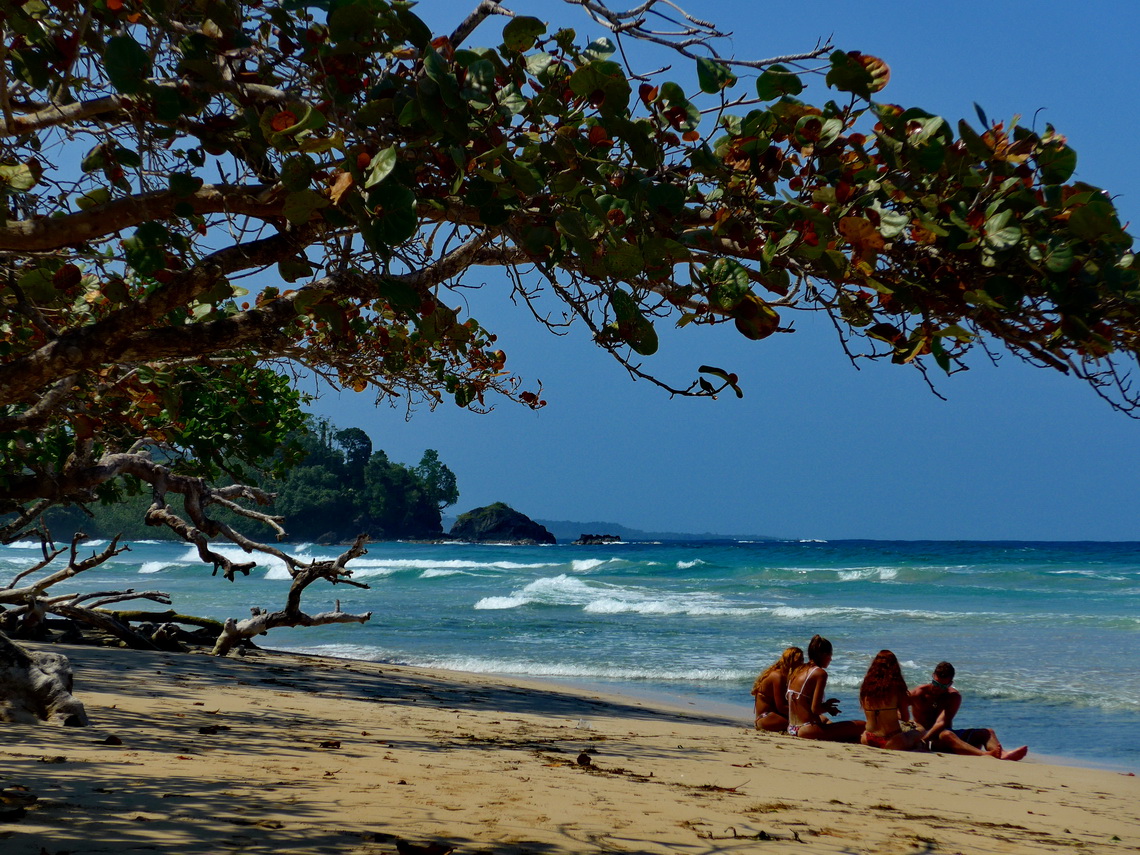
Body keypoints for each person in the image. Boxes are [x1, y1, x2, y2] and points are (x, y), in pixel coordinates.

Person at [909, 661, 1028, 761]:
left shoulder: (953, 697)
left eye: (943, 686)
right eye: (936, 683)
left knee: (987, 732)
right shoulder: (918, 693)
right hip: (927, 738)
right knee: (947, 735)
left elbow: (941, 723)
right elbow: (897, 708)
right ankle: (985, 755)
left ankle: (1002, 753)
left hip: (943, 735)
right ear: (932, 676)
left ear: (950, 683)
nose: (938, 689)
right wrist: (918, 736)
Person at [784, 634, 865, 743]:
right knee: (862, 725)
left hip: (792, 727)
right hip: (807, 729)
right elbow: (815, 709)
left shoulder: (798, 671)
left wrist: (826, 705)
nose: (831, 659)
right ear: (823, 655)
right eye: (830, 655)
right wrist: (828, 708)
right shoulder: (819, 673)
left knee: (838, 728)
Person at [858, 650, 924, 751]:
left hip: (868, 737)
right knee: (920, 730)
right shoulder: (897, 687)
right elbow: (905, 718)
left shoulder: (866, 688)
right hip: (892, 740)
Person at [751, 647, 803, 732]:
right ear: (791, 661)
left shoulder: (785, 675)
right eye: (799, 660)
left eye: (802, 659)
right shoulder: (777, 676)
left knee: (808, 721)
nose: (802, 663)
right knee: (803, 723)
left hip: (773, 716)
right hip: (765, 718)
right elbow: (781, 707)